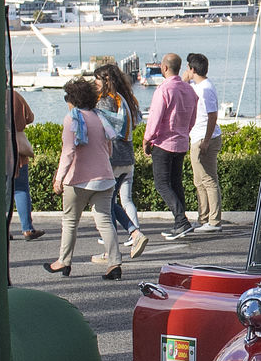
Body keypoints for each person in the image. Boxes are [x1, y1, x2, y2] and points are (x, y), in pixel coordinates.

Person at [46, 76, 122, 279]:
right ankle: (114, 263)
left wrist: (59, 179)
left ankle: (64, 262)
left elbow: (68, 152)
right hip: (105, 177)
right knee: (104, 221)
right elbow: (109, 149)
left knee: (70, 221)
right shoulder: (100, 117)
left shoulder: (72, 119)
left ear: (73, 100)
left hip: (78, 178)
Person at [96, 60, 149, 260]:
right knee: (111, 202)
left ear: (106, 81)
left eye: (97, 80)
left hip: (113, 158)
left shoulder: (105, 101)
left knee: (105, 205)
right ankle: (133, 234)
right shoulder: (124, 99)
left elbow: (102, 130)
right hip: (127, 157)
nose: (95, 84)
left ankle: (114, 249)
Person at [144, 52, 198, 240]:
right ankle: (180, 223)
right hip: (181, 142)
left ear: (164, 67)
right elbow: (192, 118)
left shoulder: (164, 90)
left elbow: (155, 118)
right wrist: (184, 132)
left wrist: (147, 139)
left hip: (164, 143)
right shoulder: (189, 90)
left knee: (162, 184)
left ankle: (181, 221)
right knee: (176, 183)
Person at [185, 51, 224, 233]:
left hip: (204, 137)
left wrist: (206, 141)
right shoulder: (196, 85)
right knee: (199, 181)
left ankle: (214, 221)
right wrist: (186, 78)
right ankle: (204, 218)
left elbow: (212, 115)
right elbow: (181, 85)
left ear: (192, 69)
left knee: (208, 180)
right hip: (197, 136)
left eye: (188, 67)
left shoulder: (205, 89)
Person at [8, 83, 42, 240]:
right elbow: (30, 117)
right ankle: (27, 229)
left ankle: (2, 229)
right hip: (17, 150)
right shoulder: (15, 96)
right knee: (21, 189)